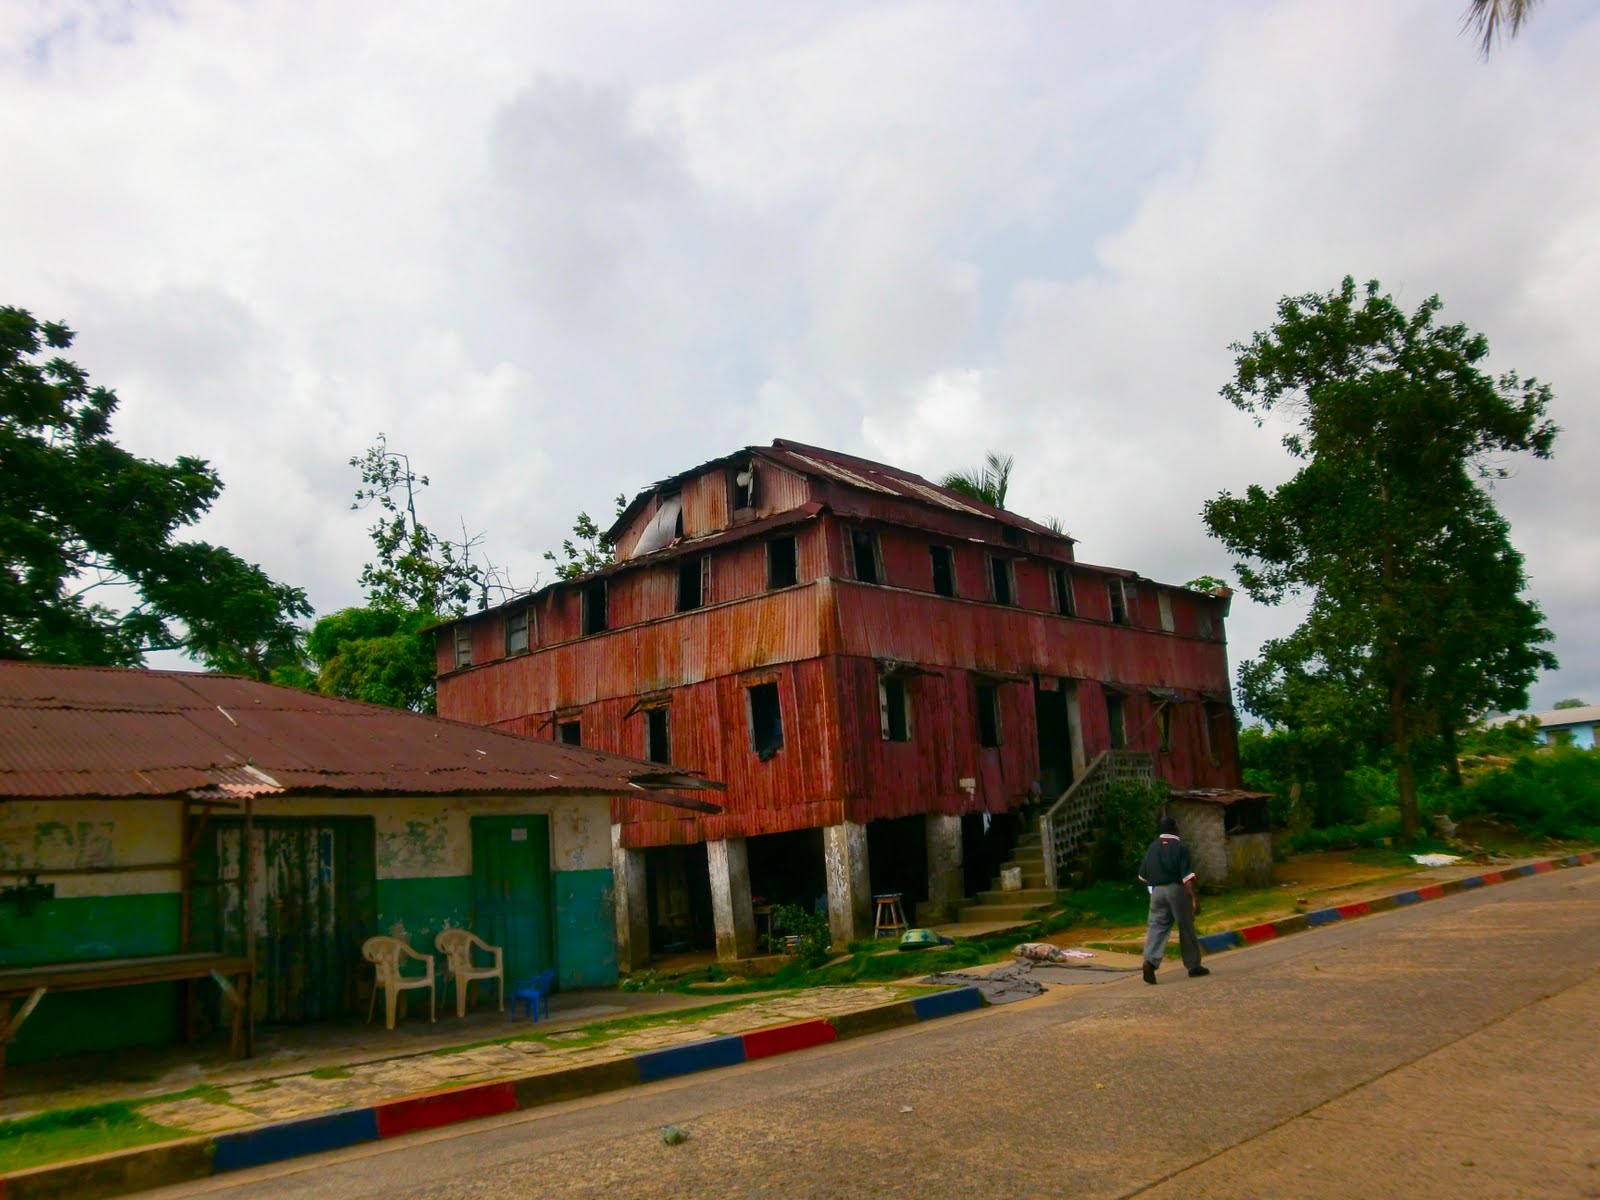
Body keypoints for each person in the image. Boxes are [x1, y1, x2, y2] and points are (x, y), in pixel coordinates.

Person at [1137, 815, 1209, 984]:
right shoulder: (1181, 847)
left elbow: (1142, 876)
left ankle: (1150, 962)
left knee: (1157, 926)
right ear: (1175, 829)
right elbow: (1187, 879)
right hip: (1176, 889)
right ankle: (1193, 966)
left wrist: (1157, 884)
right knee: (1185, 926)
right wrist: (1194, 899)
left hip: (1156, 892)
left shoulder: (1152, 847)